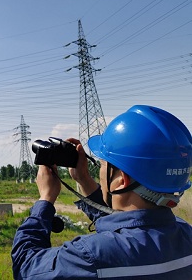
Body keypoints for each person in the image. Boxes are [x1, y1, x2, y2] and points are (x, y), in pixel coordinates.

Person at [11, 105, 192, 279]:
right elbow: (130, 226)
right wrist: (84, 180)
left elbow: (25, 266)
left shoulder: (89, 256)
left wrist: (45, 199)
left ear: (122, 179)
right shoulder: (185, 234)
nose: (99, 170)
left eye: (103, 163)